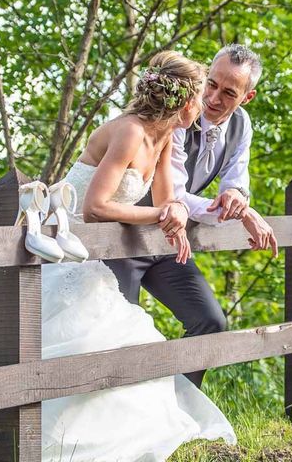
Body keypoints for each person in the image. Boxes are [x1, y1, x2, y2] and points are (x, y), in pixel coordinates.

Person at [0, 51, 236, 462]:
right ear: (183, 100)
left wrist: (175, 212)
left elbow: (165, 199)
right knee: (36, 346)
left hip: (92, 262)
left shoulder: (162, 139)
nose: (204, 104)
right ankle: (3, 437)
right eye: (200, 94)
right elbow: (95, 207)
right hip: (62, 252)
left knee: (120, 345)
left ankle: (93, 437)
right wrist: (165, 213)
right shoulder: (127, 131)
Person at [105, 44, 278, 387]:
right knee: (116, 336)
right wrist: (239, 212)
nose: (213, 97)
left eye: (229, 92)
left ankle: (176, 410)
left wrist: (238, 198)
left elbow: (236, 180)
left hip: (170, 243)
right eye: (211, 84)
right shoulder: (179, 113)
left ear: (247, 97)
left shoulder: (241, 125)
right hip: (124, 238)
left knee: (210, 321)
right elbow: (175, 196)